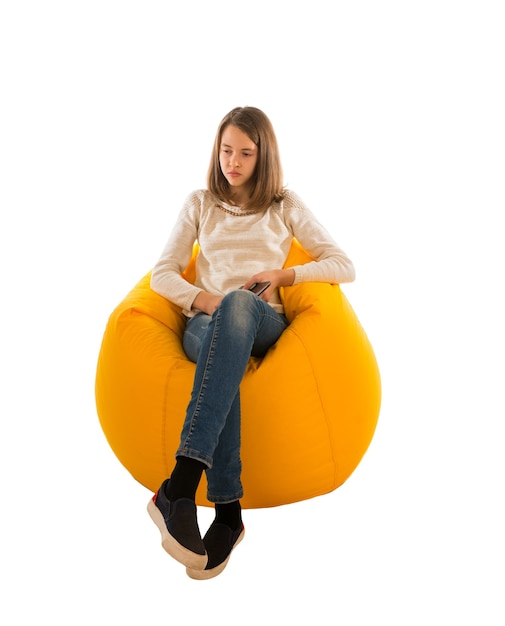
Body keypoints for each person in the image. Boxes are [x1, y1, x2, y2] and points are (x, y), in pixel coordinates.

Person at [147, 106, 355, 580]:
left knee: (240, 305)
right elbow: (162, 273)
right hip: (206, 321)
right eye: (226, 151)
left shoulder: (284, 204)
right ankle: (227, 512)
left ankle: (179, 485)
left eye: (245, 153)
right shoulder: (200, 203)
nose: (233, 162)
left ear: (264, 157)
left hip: (263, 321)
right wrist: (204, 298)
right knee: (225, 349)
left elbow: (342, 263)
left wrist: (285, 274)